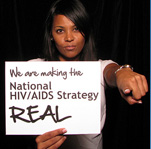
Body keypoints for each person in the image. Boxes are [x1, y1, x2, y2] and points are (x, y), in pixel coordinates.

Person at [30, 0, 148, 148]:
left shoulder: (97, 68)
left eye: (76, 29)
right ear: (51, 35)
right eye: (60, 30)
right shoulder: (34, 69)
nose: (69, 38)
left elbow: (111, 71)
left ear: (86, 32)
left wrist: (122, 72)